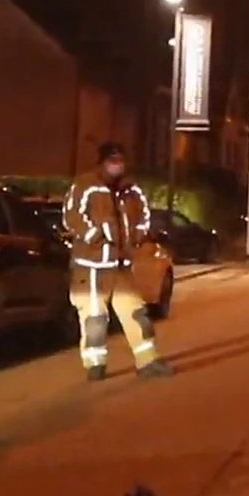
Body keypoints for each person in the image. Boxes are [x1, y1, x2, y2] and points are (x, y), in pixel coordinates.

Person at [62, 141, 174, 381]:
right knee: (94, 319)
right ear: (102, 162)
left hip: (120, 265)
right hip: (91, 266)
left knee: (137, 313)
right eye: (112, 161)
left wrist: (137, 237)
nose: (117, 166)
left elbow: (144, 215)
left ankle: (148, 361)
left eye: (120, 161)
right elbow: (71, 216)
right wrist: (95, 235)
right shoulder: (86, 186)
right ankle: (95, 365)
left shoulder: (131, 190)